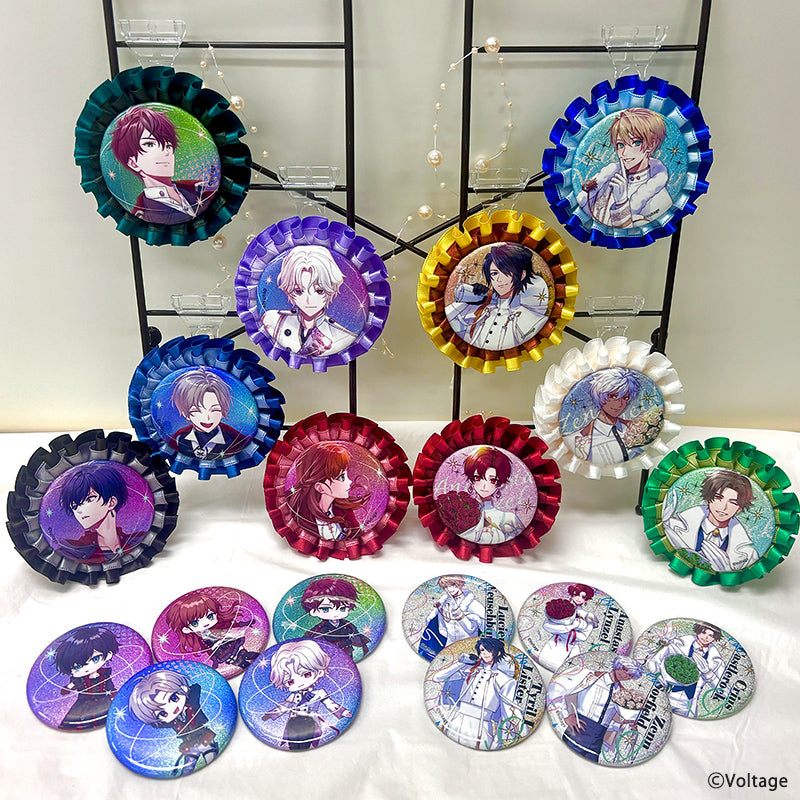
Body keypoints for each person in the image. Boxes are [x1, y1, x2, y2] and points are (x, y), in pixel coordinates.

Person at [109, 105, 213, 225]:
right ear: (133, 163)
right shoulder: (144, 214)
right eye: (150, 144)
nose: (165, 151)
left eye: (168, 145)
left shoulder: (198, 188)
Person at [576, 107, 672, 229]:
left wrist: (622, 202)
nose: (624, 153)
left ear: (651, 144)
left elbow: (633, 233)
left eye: (636, 143)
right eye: (620, 145)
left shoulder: (659, 196)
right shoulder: (607, 179)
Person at [444, 244, 549, 351]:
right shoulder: (483, 310)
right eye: (494, 273)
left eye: (505, 272)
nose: (498, 280)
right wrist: (471, 302)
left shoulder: (533, 320)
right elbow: (450, 323)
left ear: (522, 275)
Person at [262, 246, 360, 357]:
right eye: (298, 291)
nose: (308, 300)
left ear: (331, 289)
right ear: (288, 290)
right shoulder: (272, 319)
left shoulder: (343, 336)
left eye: (319, 291)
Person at [431, 637, 525, 750]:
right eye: (482, 650)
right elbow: (438, 677)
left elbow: (507, 711)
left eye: (488, 650)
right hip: (457, 720)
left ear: (498, 652)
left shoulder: (505, 680)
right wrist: (462, 662)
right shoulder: (472, 670)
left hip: (481, 726)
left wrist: (498, 740)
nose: (484, 653)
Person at [547, 655, 644, 763]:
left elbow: (615, 720)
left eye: (630, 675)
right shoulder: (591, 676)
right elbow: (558, 688)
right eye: (625, 670)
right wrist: (566, 716)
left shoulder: (622, 694)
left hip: (597, 741)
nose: (625, 675)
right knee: (561, 760)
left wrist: (627, 724)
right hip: (578, 730)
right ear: (618, 666)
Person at [261, 640, 352, 750]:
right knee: (293, 744)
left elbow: (330, 704)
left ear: (319, 672)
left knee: (307, 743)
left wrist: (343, 712)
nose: (299, 682)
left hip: (310, 723)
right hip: (293, 723)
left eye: (306, 674)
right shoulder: (293, 696)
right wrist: (270, 715)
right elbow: (284, 707)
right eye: (290, 681)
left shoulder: (319, 693)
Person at [663, 469, 758, 572]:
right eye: (718, 498)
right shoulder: (675, 527)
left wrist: (726, 570)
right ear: (708, 499)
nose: (723, 507)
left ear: (739, 509)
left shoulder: (748, 553)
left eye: (733, 503)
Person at [128, 669, 219, 776]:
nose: (171, 709)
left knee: (212, 760)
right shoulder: (171, 722)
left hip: (204, 737)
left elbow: (196, 688)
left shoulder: (192, 702)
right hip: (190, 744)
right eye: (163, 713)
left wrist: (182, 689)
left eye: (173, 698)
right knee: (187, 768)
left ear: (183, 689)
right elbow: (155, 724)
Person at [59, 462, 145, 563]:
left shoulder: (137, 539)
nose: (79, 510)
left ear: (111, 502)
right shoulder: (73, 550)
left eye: (89, 499)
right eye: (74, 506)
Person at [286, 442, 370, 541]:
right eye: (341, 477)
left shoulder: (343, 510)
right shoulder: (301, 518)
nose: (350, 481)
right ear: (320, 488)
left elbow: (358, 537)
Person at [644, 622, 726, 716]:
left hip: (686, 703)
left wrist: (708, 674)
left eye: (711, 636)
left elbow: (724, 691)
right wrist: (659, 678)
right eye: (703, 632)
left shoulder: (716, 659)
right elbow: (653, 661)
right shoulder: (678, 642)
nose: (706, 637)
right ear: (698, 631)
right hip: (663, 693)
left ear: (715, 638)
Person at [565, 367, 644, 465]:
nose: (619, 404)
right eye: (612, 396)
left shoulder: (633, 428)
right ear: (599, 395)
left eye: (625, 398)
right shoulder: (580, 440)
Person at [167, 368, 249, 460]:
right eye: (197, 410)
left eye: (215, 410)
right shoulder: (178, 439)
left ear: (223, 411)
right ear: (186, 413)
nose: (208, 418)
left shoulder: (235, 440)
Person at [165, 591, 259, 671]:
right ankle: (242, 663)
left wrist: (245, 623)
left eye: (210, 616)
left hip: (227, 642)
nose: (205, 623)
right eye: (195, 623)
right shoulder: (200, 639)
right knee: (232, 659)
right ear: (186, 629)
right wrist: (214, 660)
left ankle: (247, 656)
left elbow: (229, 625)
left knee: (239, 650)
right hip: (218, 650)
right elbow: (207, 650)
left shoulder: (217, 626)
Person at [54, 626, 119, 730]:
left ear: (108, 655)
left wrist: (114, 697)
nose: (87, 668)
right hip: (84, 705)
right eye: (77, 667)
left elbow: (110, 687)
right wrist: (70, 686)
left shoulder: (104, 675)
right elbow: (65, 691)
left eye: (95, 659)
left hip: (104, 702)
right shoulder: (79, 680)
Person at [456, 447, 525, 545]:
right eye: (478, 478)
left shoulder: (508, 519)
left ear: (501, 484)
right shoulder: (462, 511)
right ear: (471, 480)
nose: (484, 486)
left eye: (493, 480)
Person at [418, 575, 486, 660]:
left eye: (453, 585)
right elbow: (442, 629)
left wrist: (460, 615)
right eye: (446, 587)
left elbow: (473, 628)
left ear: (460, 584)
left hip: (470, 649)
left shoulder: (473, 604)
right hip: (449, 649)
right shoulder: (445, 605)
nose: (449, 589)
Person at [300, 577, 370, 659]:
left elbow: (356, 636)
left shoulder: (347, 625)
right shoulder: (320, 629)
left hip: (347, 653)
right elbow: (311, 643)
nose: (335, 613)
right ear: (313, 611)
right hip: (329, 656)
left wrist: (362, 644)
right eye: (326, 609)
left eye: (342, 608)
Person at [539, 597, 598, 671]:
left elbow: (581, 623)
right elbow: (583, 637)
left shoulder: (557, 622)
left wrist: (587, 616)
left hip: (569, 651)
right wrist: (590, 624)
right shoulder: (560, 629)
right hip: (554, 655)